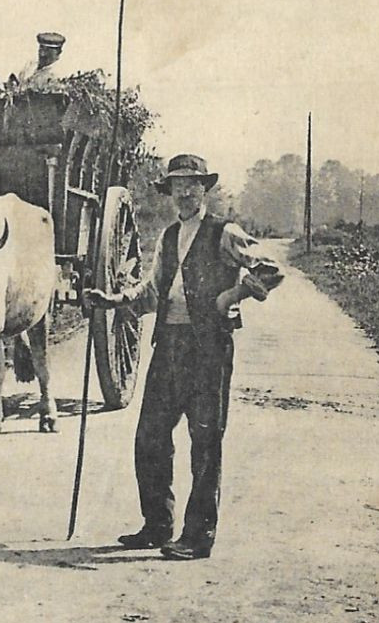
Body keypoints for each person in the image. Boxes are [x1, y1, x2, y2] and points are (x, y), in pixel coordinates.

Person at [84, 154, 284, 561]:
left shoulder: (224, 232)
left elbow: (270, 270)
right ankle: (158, 525)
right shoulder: (169, 236)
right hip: (169, 345)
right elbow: (153, 291)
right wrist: (112, 300)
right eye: (178, 185)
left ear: (204, 189)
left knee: (205, 441)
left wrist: (231, 296)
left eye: (193, 184)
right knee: (149, 438)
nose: (185, 192)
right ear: (170, 192)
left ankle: (198, 537)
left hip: (208, 348)